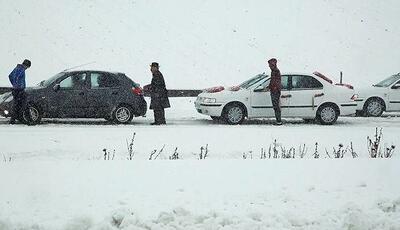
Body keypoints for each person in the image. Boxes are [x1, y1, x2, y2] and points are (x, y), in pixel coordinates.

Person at [8, 59, 31, 124]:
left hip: (16, 90)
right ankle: (26, 118)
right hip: (19, 90)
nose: (27, 68)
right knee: (24, 104)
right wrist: (18, 86)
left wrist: (14, 85)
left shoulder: (17, 68)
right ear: (26, 65)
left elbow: (10, 76)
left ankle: (13, 120)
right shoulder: (21, 69)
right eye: (28, 67)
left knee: (16, 105)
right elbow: (16, 78)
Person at [267, 58, 282, 125]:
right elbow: (273, 81)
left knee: (276, 106)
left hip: (275, 91)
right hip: (275, 90)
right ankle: (278, 120)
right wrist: (269, 87)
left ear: (272, 64)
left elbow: (275, 82)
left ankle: (279, 121)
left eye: (269, 64)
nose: (269, 66)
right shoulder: (274, 71)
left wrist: (272, 87)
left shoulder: (275, 71)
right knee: (275, 106)